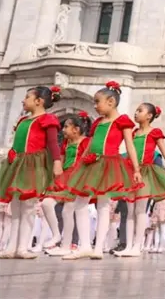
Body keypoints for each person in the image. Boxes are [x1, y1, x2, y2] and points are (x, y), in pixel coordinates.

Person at [60, 81, 144, 260]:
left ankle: (98, 247)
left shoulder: (122, 121)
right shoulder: (97, 122)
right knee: (80, 202)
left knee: (103, 205)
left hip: (109, 163)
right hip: (91, 164)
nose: (95, 106)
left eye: (98, 102)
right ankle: (84, 245)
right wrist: (82, 162)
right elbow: (91, 143)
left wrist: (136, 169)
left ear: (111, 102)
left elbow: (129, 145)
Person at [0, 86, 63, 259]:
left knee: (28, 207)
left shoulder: (47, 119)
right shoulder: (22, 121)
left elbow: (52, 143)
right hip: (18, 164)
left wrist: (57, 162)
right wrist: (13, 152)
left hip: (33, 165)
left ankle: (23, 247)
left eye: (27, 97)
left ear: (38, 101)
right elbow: (17, 142)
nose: (23, 100)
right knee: (15, 207)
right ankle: (10, 247)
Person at [114, 103, 165, 257]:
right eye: (136, 110)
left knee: (140, 209)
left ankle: (138, 245)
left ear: (150, 116)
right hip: (130, 171)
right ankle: (129, 245)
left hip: (145, 172)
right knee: (130, 210)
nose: (136, 113)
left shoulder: (154, 132)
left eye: (140, 111)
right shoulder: (133, 133)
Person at [44, 112, 92, 257]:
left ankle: (66, 245)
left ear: (76, 129)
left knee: (67, 211)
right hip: (64, 176)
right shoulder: (66, 142)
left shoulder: (87, 142)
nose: (62, 130)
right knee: (46, 203)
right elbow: (62, 160)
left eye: (66, 127)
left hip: (77, 178)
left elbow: (85, 161)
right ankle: (57, 235)